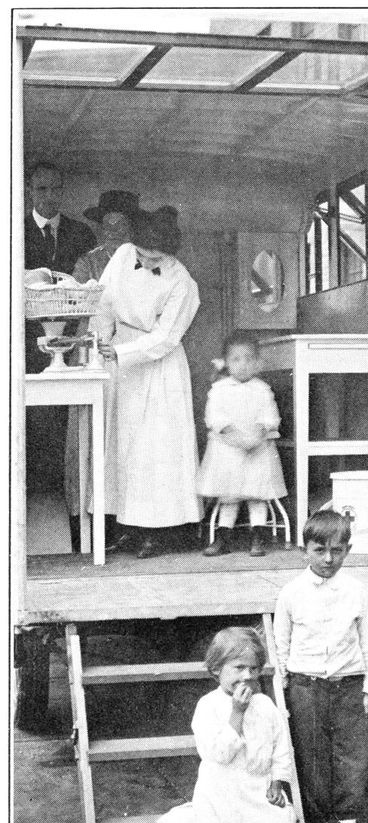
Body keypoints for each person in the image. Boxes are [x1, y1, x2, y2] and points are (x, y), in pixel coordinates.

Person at [273, 510, 368, 823]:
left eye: (337, 550)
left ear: (348, 549)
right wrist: (285, 689)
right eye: (320, 550)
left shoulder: (356, 591)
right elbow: (281, 646)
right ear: (305, 549)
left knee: (353, 760)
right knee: (312, 762)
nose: (329, 559)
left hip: (349, 685)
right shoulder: (291, 593)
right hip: (307, 687)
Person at [94, 206, 203, 559]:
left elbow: (166, 337)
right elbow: (102, 303)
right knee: (121, 446)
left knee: (154, 451)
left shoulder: (183, 283)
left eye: (154, 258)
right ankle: (126, 526)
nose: (144, 261)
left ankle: (159, 532)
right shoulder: (124, 255)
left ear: (170, 254)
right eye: (141, 254)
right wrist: (101, 344)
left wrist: (122, 352)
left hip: (159, 368)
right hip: (118, 361)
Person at [157, 627, 296, 823]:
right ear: (216, 669)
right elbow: (218, 754)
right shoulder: (208, 706)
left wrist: (277, 781)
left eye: (254, 669)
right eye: (239, 668)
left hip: (258, 788)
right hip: (223, 791)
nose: (247, 676)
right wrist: (237, 713)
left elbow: (281, 747)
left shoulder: (265, 705)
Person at [65, 190, 141, 549]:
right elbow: (76, 300)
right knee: (90, 439)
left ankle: (129, 522)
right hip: (92, 355)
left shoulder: (144, 261)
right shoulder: (89, 262)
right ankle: (88, 522)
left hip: (129, 361)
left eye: (121, 225)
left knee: (127, 439)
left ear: (131, 228)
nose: (113, 232)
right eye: (107, 225)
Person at [23, 160, 97, 510]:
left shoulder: (80, 233)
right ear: (29, 190)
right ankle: (32, 499)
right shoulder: (14, 229)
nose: (49, 196)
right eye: (42, 189)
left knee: (69, 421)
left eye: (56, 188)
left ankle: (69, 502)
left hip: (71, 339)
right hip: (26, 343)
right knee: (32, 422)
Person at [197, 330, 287, 557]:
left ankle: (258, 537)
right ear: (226, 363)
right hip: (228, 449)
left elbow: (270, 416)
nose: (243, 365)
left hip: (257, 448)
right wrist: (233, 432)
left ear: (257, 363)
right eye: (236, 359)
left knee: (257, 494)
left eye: (249, 359)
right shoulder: (219, 389)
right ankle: (223, 537)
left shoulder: (262, 389)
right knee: (229, 496)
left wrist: (259, 432)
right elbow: (214, 416)